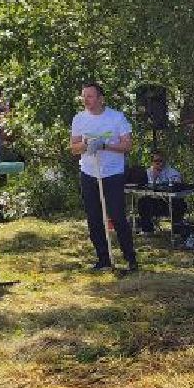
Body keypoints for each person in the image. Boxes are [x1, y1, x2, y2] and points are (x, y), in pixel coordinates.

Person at [68, 81, 137, 272]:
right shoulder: (79, 119)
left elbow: (127, 145)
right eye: (84, 96)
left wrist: (104, 146)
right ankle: (103, 258)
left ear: (100, 98)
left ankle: (130, 257)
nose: (86, 100)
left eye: (90, 96)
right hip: (89, 173)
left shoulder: (116, 117)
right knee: (94, 217)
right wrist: (85, 145)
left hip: (112, 173)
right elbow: (73, 148)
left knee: (117, 216)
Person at [135, 153, 190, 234]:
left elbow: (177, 185)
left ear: (164, 161)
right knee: (143, 202)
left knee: (180, 203)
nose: (158, 163)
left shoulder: (172, 172)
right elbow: (146, 189)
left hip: (170, 202)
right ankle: (148, 230)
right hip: (155, 202)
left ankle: (177, 230)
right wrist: (154, 178)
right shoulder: (148, 172)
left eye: (160, 161)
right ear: (152, 162)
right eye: (155, 161)